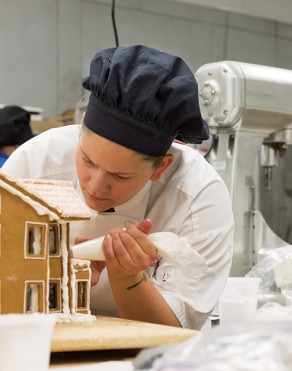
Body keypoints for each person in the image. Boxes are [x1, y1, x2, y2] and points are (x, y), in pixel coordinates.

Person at [2, 45, 234, 330]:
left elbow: (175, 330)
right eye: (87, 160)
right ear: (81, 128)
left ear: (160, 168)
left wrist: (128, 278)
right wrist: (55, 279)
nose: (96, 186)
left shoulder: (198, 195)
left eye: (120, 176)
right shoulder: (36, 162)